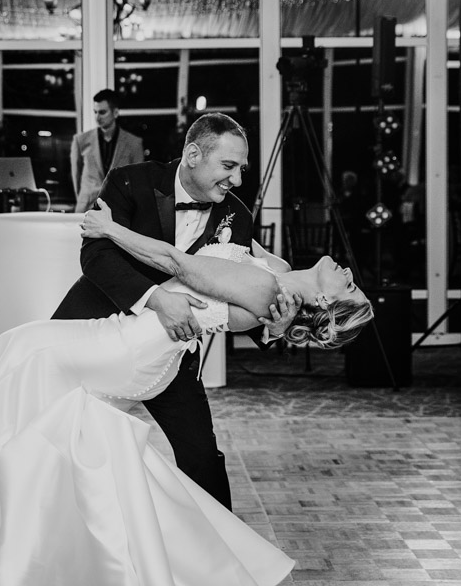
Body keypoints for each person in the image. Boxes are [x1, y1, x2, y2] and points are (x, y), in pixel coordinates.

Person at [0, 206, 372, 586]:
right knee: (39, 386)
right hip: (150, 346)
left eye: (347, 284)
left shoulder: (265, 286)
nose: (348, 269)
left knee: (21, 350)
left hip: (136, 346)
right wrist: (281, 326)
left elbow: (178, 264)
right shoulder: (277, 275)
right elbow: (245, 260)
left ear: (327, 304)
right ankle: (49, 541)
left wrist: (109, 227)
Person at [53, 112, 297, 510]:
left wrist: (273, 327)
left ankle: (220, 550)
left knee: (201, 455)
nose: (237, 180)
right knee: (59, 435)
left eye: (242, 169)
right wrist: (155, 299)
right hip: (96, 330)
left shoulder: (237, 216)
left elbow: (235, 288)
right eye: (229, 166)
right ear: (194, 154)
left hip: (171, 351)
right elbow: (96, 256)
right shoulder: (130, 181)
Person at [71, 88, 144, 213]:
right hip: (86, 209)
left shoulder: (134, 143)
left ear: (115, 112)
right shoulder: (80, 141)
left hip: (120, 211)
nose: (97, 117)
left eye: (102, 112)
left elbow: (138, 182)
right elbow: (76, 176)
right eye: (95, 112)